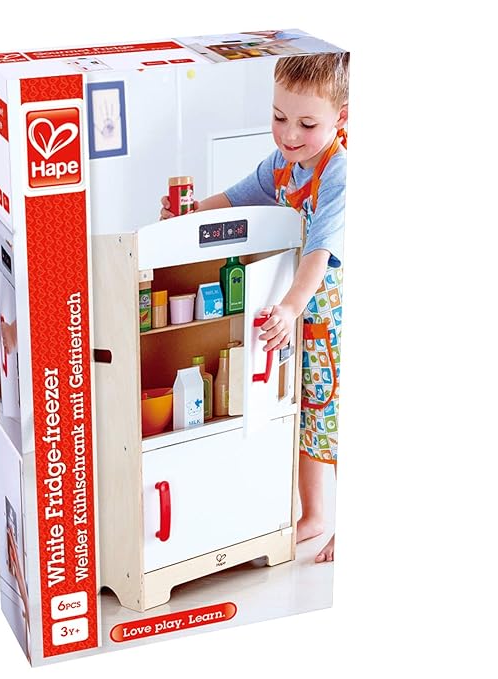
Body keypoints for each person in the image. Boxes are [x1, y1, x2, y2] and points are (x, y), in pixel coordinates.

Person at [160, 52, 348, 563]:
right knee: (309, 411)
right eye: (279, 117)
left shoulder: (338, 172)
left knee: (337, 416)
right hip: (301, 317)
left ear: (340, 118)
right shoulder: (283, 164)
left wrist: (289, 307)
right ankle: (316, 514)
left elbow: (320, 253)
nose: (289, 134)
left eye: (307, 124)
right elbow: (236, 198)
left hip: (329, 315)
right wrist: (187, 215)